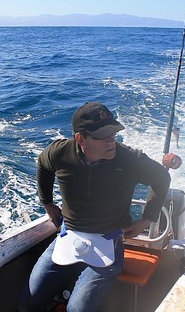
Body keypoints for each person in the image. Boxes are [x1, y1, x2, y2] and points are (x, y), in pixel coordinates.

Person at [18, 102, 171, 312]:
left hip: (109, 240)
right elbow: (43, 164)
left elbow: (161, 177)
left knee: (77, 310)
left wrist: (147, 218)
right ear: (80, 139)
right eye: (102, 137)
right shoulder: (60, 152)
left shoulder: (130, 159)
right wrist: (47, 203)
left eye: (113, 135)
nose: (111, 142)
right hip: (69, 237)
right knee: (28, 301)